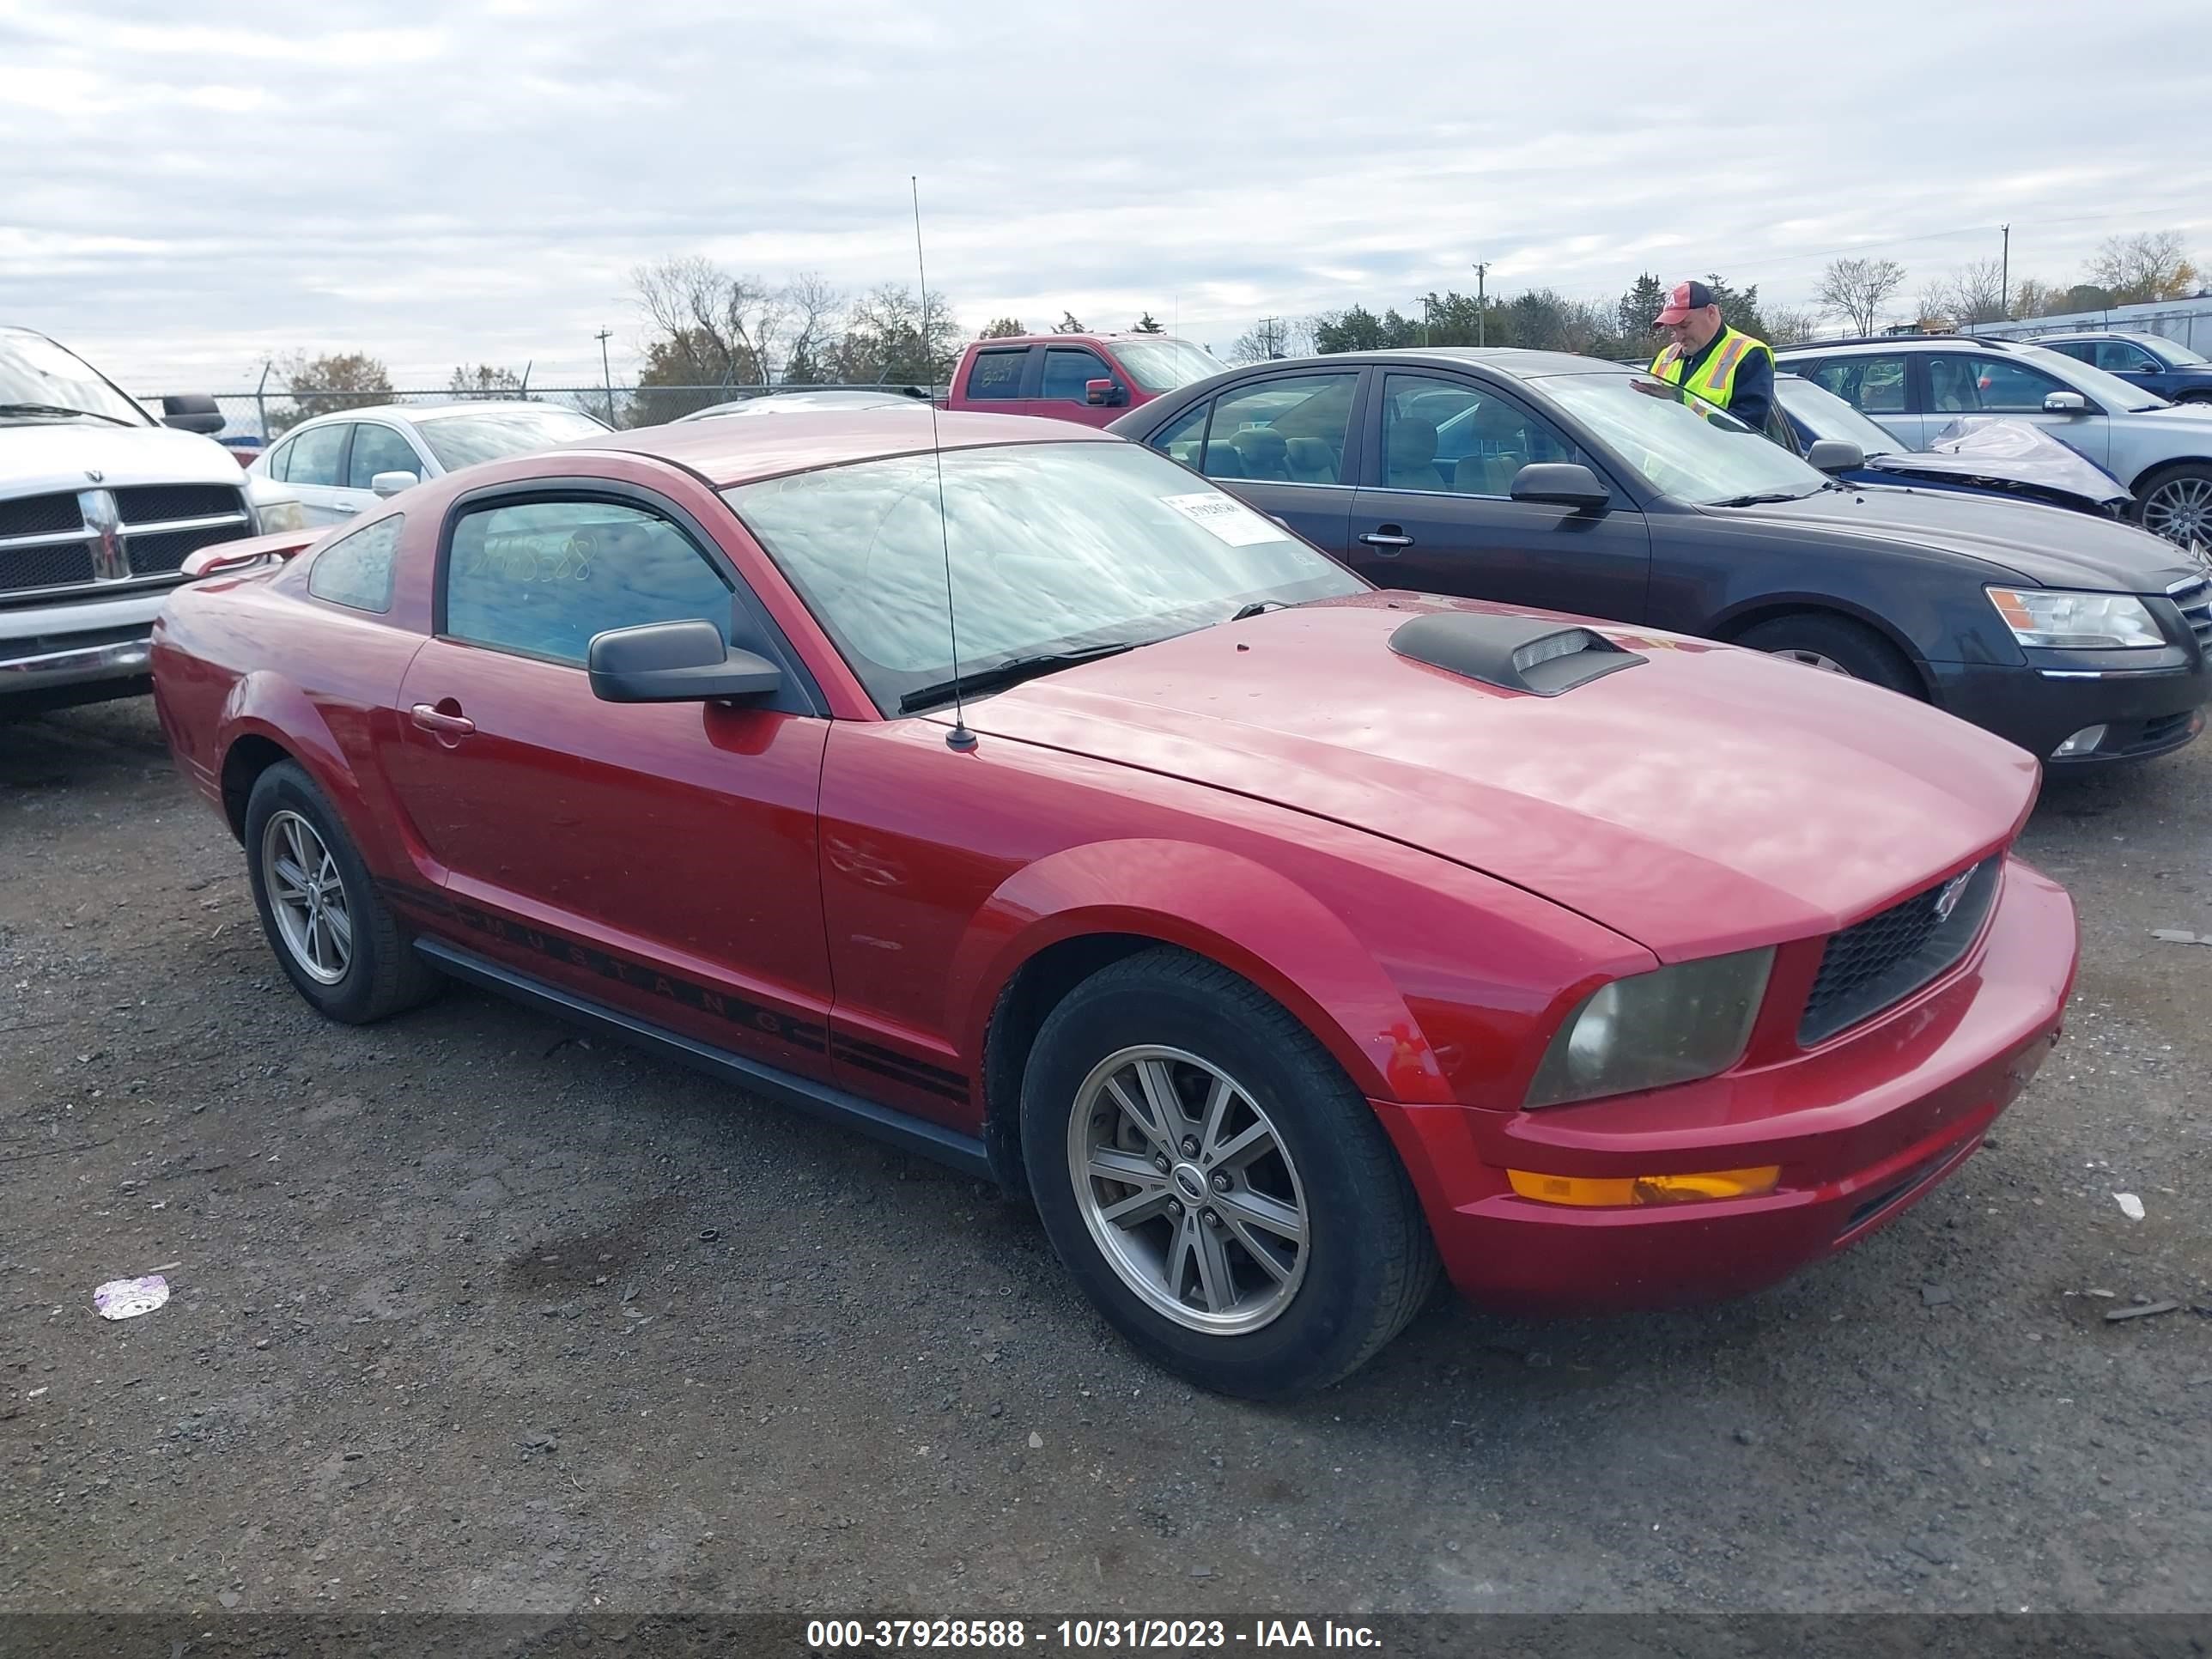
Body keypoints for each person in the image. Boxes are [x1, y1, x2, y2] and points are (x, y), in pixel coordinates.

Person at [1649, 280, 1774, 431]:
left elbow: (1746, 432)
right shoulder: (1665, 357)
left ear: (1711, 312)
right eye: (1673, 329)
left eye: (1684, 326)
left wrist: (1681, 400)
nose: (1678, 337)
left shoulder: (1749, 355)